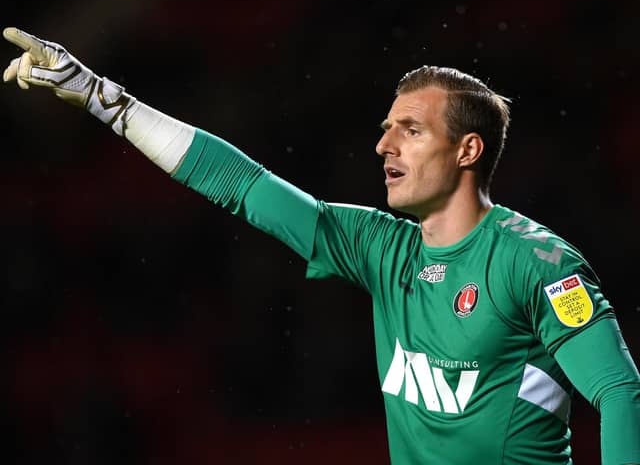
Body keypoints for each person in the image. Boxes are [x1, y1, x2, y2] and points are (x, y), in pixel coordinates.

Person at [3, 27, 639, 465]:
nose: (383, 146)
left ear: (467, 150)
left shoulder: (536, 262)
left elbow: (617, 391)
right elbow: (243, 184)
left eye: (410, 131)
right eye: (386, 129)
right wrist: (96, 94)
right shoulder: (379, 248)